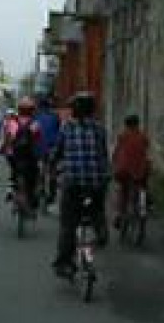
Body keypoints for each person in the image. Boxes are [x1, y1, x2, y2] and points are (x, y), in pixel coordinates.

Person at [52, 92, 111, 275]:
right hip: (96, 184)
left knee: (68, 224)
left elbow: (57, 152)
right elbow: (103, 154)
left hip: (73, 184)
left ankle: (64, 262)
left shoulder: (67, 128)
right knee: (97, 209)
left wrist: (53, 166)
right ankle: (101, 230)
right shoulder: (100, 129)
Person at [0, 97, 41, 210]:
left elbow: (9, 138)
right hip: (30, 156)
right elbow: (38, 140)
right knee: (34, 176)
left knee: (14, 172)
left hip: (15, 155)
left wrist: (4, 148)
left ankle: (11, 189)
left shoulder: (13, 122)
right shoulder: (34, 123)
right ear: (32, 110)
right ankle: (32, 198)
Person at [113, 114, 150, 227]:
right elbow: (146, 150)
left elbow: (116, 153)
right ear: (137, 124)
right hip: (140, 170)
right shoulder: (143, 137)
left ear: (126, 125)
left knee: (123, 190)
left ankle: (119, 213)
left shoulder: (122, 136)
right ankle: (143, 205)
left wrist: (114, 163)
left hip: (124, 170)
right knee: (143, 186)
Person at [34, 96, 61, 204]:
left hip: (39, 148)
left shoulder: (35, 117)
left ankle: (40, 187)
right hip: (52, 147)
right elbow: (58, 130)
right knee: (52, 170)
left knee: (40, 168)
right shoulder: (55, 116)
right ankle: (52, 194)